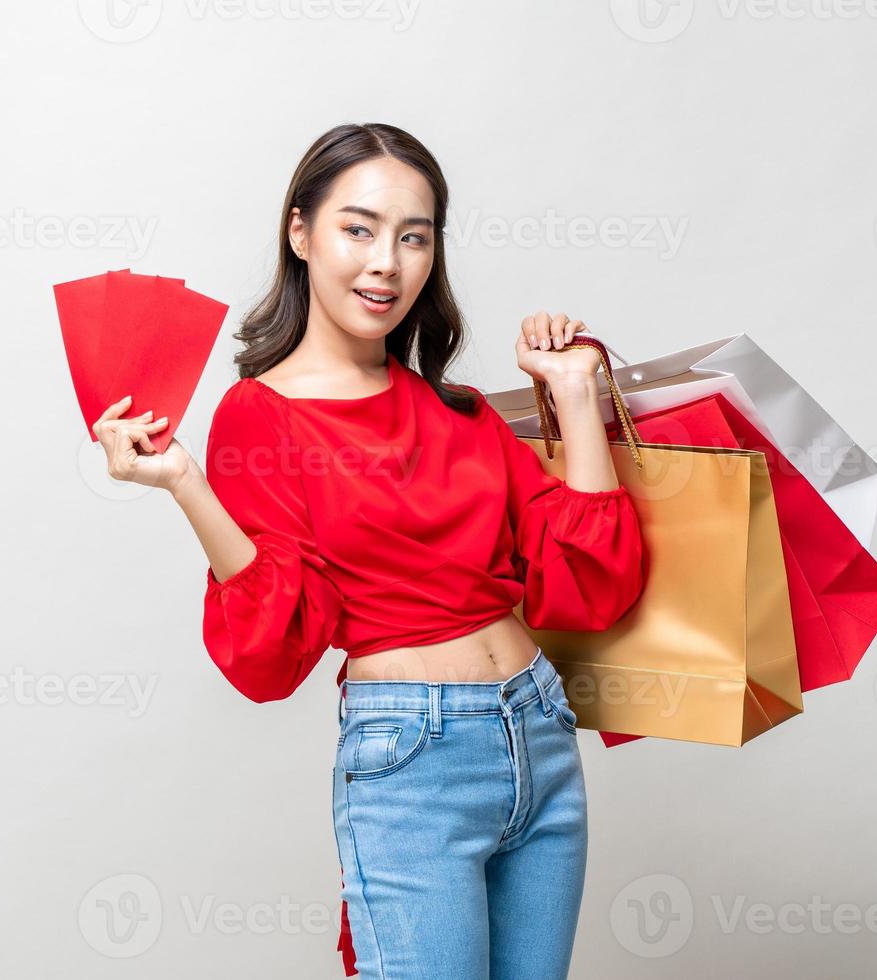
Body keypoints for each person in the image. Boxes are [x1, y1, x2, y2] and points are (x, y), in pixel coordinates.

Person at [92, 122, 646, 979]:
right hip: (414, 765)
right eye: (359, 228)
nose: (386, 260)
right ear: (301, 232)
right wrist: (184, 485)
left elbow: (593, 587)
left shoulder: (459, 412)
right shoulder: (259, 416)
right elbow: (275, 645)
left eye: (413, 237)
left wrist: (573, 396)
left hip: (540, 734)